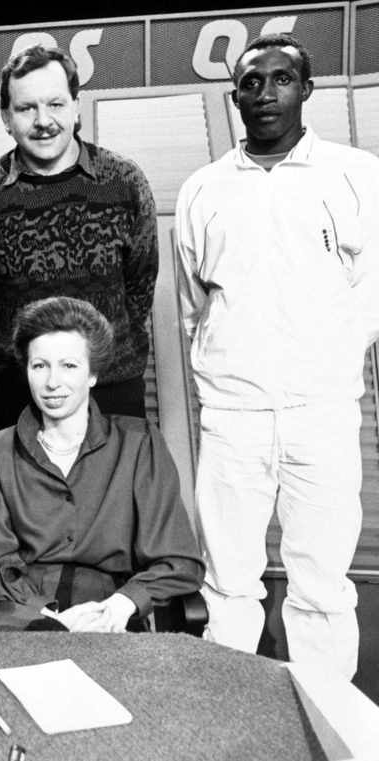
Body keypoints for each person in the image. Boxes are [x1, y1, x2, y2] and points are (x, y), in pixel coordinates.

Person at [175, 34, 379, 678]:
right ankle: (236, 714)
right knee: (229, 580)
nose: (265, 93)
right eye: (251, 82)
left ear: (306, 89)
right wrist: (231, 370)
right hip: (232, 417)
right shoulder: (203, 189)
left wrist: (323, 364)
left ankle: (325, 714)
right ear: (234, 96)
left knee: (320, 581)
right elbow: (193, 303)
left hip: (322, 412)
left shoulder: (355, 174)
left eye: (281, 79)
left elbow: (371, 289)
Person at [0, 297, 203, 634]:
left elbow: (179, 560)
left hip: (107, 613)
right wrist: (48, 618)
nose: (52, 382)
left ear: (93, 374)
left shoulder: (139, 444)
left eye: (69, 366)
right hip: (13, 613)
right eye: (40, 365)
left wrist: (126, 601)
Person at [0, 45, 158, 436]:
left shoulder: (125, 182)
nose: (43, 121)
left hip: (111, 390)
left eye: (56, 104)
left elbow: (139, 288)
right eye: (27, 108)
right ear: (5, 117)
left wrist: (95, 359)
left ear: (77, 107)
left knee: (114, 499)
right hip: (15, 396)